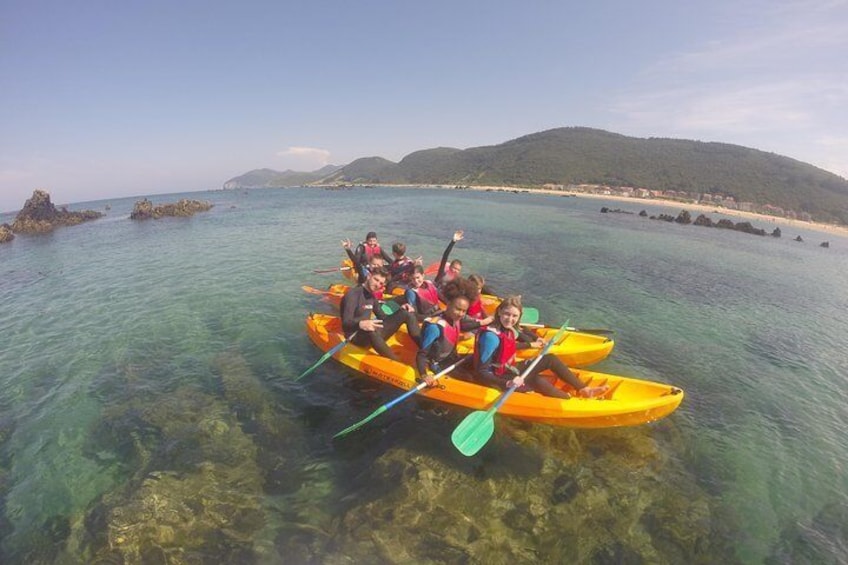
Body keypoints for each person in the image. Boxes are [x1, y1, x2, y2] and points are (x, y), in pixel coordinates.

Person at [473, 296, 608, 399]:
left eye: (515, 316)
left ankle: (583, 389)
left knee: (549, 359)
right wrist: (507, 383)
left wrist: (535, 339)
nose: (510, 319)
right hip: (497, 378)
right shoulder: (490, 337)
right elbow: (482, 372)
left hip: (507, 369)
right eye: (507, 314)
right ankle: (567, 399)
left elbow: (519, 334)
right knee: (535, 380)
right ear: (499, 312)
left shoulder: (507, 329)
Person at [339, 266, 420, 362]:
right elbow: (345, 324)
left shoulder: (372, 297)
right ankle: (396, 362)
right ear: (369, 276)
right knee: (371, 331)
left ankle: (425, 348)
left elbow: (383, 316)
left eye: (381, 283)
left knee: (405, 313)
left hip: (370, 332)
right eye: (376, 279)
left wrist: (399, 310)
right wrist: (360, 324)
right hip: (355, 336)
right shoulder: (353, 294)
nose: (377, 284)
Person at [415, 278, 481, 386]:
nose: (460, 314)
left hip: (452, 358)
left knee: (478, 364)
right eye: (458, 309)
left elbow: (472, 324)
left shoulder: (456, 319)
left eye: (464, 311)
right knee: (469, 378)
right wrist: (424, 375)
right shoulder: (435, 327)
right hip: (439, 364)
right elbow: (421, 355)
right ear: (449, 303)